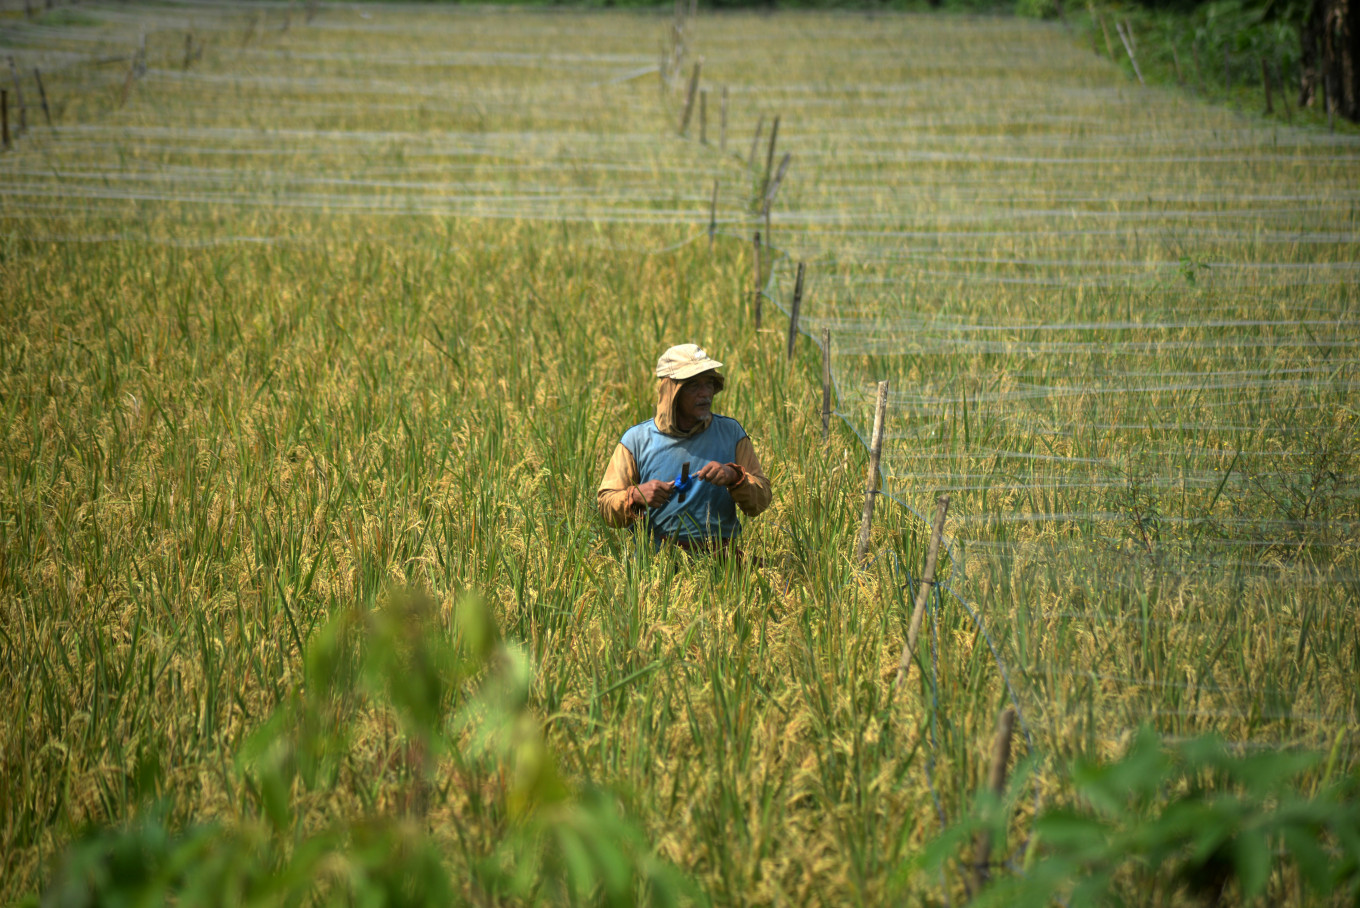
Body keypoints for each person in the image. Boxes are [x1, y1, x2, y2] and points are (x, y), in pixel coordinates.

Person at [597, 343, 772, 551]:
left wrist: (734, 477)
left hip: (721, 560)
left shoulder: (731, 433)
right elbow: (606, 506)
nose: (705, 393)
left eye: (709, 384)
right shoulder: (636, 441)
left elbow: (760, 502)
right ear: (671, 392)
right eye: (693, 385)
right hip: (657, 565)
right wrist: (635, 495)